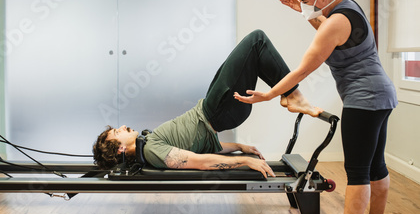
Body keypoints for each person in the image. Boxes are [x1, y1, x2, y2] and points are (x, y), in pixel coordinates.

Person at [234, 0, 397, 214]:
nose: (307, 6)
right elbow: (331, 34)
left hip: (364, 99)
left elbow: (302, 69)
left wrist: (270, 94)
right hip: (381, 95)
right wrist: (304, 12)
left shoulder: (335, 22)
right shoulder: (348, 8)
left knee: (357, 172)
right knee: (376, 166)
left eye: (308, 1)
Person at [93, 30, 322, 178]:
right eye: (117, 132)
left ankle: (288, 94)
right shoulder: (153, 150)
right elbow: (200, 162)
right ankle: (292, 95)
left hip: (215, 110)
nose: (122, 127)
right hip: (217, 111)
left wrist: (240, 147)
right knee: (256, 41)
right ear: (121, 148)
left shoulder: (150, 141)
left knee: (253, 55)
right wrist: (244, 162)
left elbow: (203, 144)